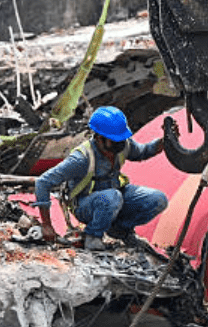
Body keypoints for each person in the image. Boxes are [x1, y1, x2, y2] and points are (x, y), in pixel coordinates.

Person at [34, 105, 170, 250]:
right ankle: (92, 235)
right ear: (99, 138)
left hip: (114, 197)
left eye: (122, 139)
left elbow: (143, 151)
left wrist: (165, 141)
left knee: (158, 200)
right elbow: (43, 182)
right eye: (115, 140)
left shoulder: (123, 145)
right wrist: (47, 225)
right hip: (86, 204)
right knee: (112, 197)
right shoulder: (81, 159)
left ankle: (120, 229)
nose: (120, 143)